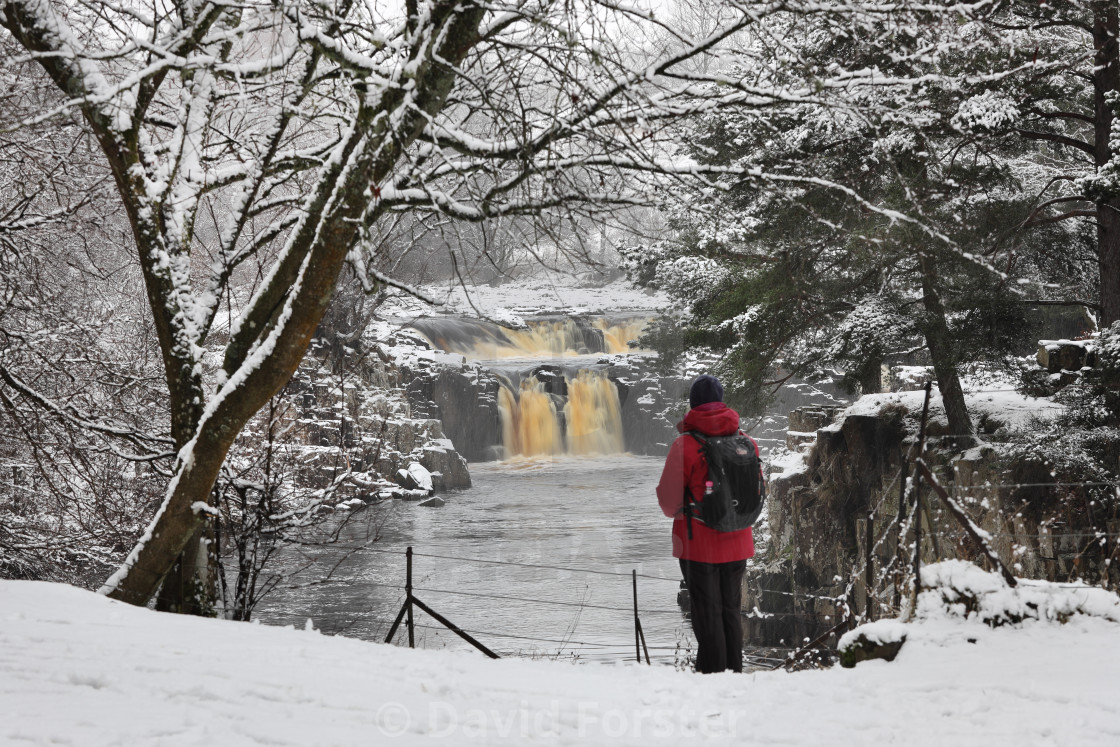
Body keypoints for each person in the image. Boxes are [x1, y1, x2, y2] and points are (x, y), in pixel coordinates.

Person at [656, 374, 758, 673]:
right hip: (739, 542)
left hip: (698, 545)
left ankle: (712, 678)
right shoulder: (746, 441)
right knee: (730, 611)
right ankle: (733, 673)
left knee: (706, 613)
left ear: (694, 405)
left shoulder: (685, 445)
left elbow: (667, 502)